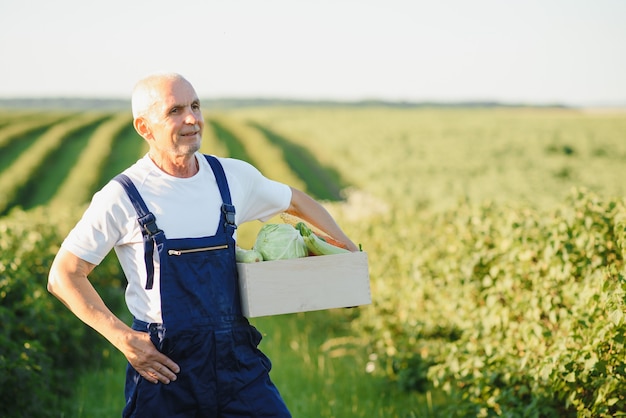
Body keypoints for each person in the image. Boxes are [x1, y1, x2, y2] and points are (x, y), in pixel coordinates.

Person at [47, 71, 358, 417]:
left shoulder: (231, 177)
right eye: (175, 111)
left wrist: (345, 253)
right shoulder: (122, 195)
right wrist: (123, 339)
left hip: (236, 362)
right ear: (144, 128)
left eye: (195, 105)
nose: (192, 118)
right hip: (164, 367)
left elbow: (296, 200)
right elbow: (64, 275)